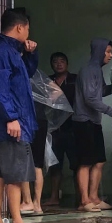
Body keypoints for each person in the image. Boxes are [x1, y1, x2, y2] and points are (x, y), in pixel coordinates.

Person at [0, 7, 39, 223]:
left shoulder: (9, 51)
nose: (28, 34)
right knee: (15, 174)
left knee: (0, 174)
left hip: (6, 122)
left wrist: (31, 54)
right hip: (11, 123)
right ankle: (17, 221)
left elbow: (25, 76)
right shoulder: (3, 51)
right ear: (20, 28)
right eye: (27, 29)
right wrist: (11, 117)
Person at [71, 37, 112, 212]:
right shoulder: (89, 70)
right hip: (83, 121)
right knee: (85, 162)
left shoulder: (97, 70)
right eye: (108, 51)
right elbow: (90, 99)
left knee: (99, 161)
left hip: (93, 121)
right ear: (99, 51)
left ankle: (94, 198)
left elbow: (101, 91)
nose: (110, 55)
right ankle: (84, 201)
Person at [44, 52, 77, 209]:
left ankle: (80, 197)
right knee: (55, 166)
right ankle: (54, 197)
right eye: (55, 61)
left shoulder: (75, 80)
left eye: (62, 61)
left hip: (73, 128)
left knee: (77, 165)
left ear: (67, 64)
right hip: (54, 130)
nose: (58, 64)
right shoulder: (47, 82)